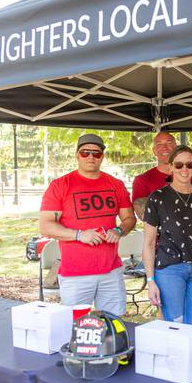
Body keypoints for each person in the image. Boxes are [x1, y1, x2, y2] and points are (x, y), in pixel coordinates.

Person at [39, 134, 136, 316]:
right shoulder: (61, 185)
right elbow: (45, 225)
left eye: (96, 153)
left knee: (112, 325)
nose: (91, 157)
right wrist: (79, 235)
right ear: (77, 155)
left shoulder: (115, 184)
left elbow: (129, 218)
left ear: (102, 157)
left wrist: (119, 230)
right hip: (76, 273)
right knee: (75, 327)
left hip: (111, 271)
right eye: (85, 153)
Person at [143, 145, 192, 325]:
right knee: (174, 327)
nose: (184, 169)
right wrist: (150, 281)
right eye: (179, 165)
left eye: (189, 165)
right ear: (170, 167)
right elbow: (149, 243)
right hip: (169, 268)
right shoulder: (157, 197)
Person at [131, 131, 192, 221]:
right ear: (154, 151)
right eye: (159, 144)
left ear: (176, 148)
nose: (165, 148)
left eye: (169, 143)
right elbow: (144, 215)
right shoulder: (142, 180)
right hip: (159, 234)